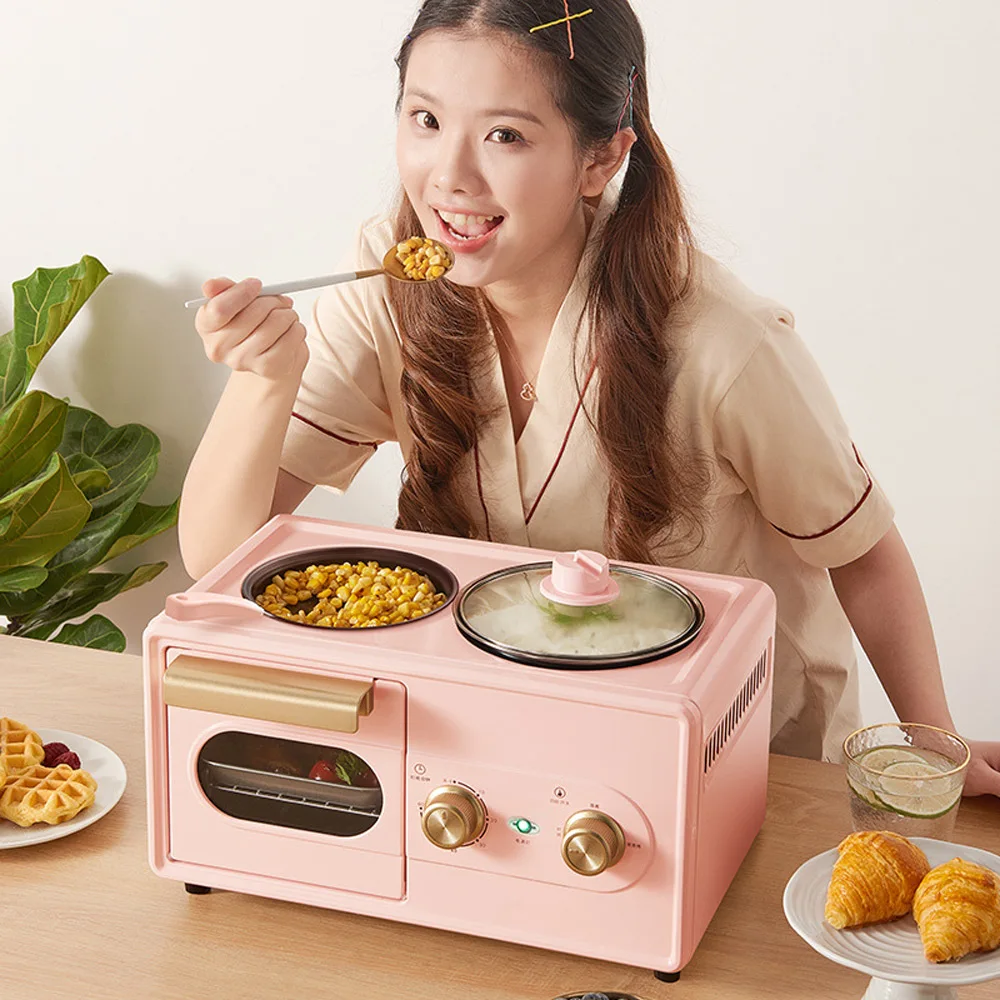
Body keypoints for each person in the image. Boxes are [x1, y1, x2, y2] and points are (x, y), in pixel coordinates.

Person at [178, 0, 999, 796]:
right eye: (425, 120)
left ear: (601, 159)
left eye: (504, 134)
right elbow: (217, 562)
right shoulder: (386, 286)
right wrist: (262, 382)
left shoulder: (724, 340)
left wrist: (937, 744)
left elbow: (862, 552)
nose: (449, 175)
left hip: (737, 763)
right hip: (500, 743)